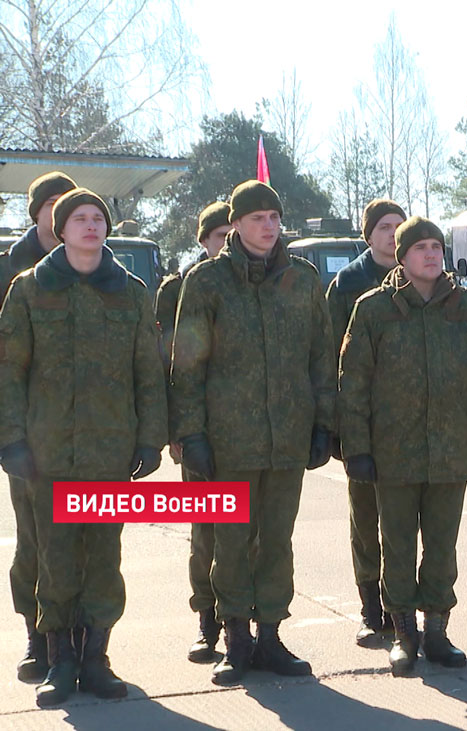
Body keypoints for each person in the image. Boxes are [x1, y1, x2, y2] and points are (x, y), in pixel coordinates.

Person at [0, 188, 166, 705]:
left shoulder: (132, 292)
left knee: (103, 557)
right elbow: (9, 370)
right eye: (79, 218)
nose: (90, 225)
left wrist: (150, 438)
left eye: (98, 218)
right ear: (62, 227)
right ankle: (60, 660)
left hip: (111, 453)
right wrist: (11, 439)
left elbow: (148, 372)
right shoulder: (30, 290)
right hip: (48, 453)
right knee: (55, 558)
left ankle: (96, 658)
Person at [170, 180, 335, 684]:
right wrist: (191, 434)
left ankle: (270, 637)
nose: (268, 226)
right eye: (257, 217)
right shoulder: (207, 282)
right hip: (228, 440)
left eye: (274, 217)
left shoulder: (303, 280)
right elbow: (187, 365)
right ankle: (235, 639)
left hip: (287, 435)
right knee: (231, 541)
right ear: (236, 224)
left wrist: (323, 423)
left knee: (277, 540)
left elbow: (321, 358)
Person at [338, 216, 467, 675]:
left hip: (451, 450)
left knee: (442, 546)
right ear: (402, 254)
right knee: (397, 546)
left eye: (436, 246)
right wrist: (358, 448)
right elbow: (353, 384)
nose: (431, 254)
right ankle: (403, 632)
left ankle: (437, 630)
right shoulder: (374, 309)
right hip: (393, 452)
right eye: (420, 248)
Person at [0, 170, 77, 683]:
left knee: (86, 538)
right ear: (36, 211)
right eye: (53, 202)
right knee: (33, 539)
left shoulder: (90, 264)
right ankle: (36, 637)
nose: (62, 210)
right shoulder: (11, 270)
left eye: (68, 202)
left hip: (91, 428)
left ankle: (80, 642)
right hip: (30, 428)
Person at [325, 198, 406, 647]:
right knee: (366, 517)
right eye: (384, 227)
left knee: (404, 518)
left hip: (410, 421)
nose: (393, 234)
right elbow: (331, 354)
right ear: (368, 234)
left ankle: (402, 606)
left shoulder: (423, 275)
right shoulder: (348, 284)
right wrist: (338, 425)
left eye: (399, 225)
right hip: (364, 418)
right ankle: (371, 608)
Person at [155, 200, 232, 662]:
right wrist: (178, 430)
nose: (227, 242)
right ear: (203, 241)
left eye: (231, 233)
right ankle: (207, 621)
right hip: (198, 427)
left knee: (252, 534)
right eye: (219, 235)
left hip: (249, 432)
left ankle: (249, 619)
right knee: (206, 531)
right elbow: (172, 363)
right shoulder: (180, 287)